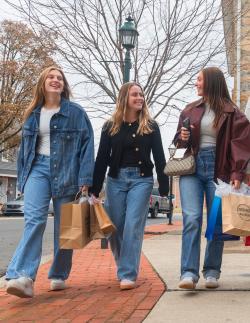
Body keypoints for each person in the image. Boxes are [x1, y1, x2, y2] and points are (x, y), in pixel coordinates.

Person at [5, 66, 94, 298]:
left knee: (65, 228)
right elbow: (25, 150)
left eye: (59, 78)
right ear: (42, 83)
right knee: (34, 219)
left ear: (63, 85)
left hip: (68, 171)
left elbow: (87, 147)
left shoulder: (76, 112)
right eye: (51, 77)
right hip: (38, 169)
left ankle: (59, 274)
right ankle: (23, 276)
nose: (56, 80)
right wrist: (23, 178)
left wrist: (85, 180)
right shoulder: (32, 113)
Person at [174, 67, 250, 290]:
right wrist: (182, 136)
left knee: (216, 221)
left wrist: (237, 173)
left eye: (199, 79)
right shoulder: (190, 109)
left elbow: (242, 145)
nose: (196, 83)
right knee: (192, 218)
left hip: (220, 170)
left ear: (211, 82)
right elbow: (179, 143)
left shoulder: (233, 113)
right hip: (192, 168)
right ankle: (188, 273)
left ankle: (211, 271)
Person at [90, 82, 169, 290]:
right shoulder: (110, 126)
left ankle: (127, 273)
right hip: (115, 180)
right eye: (135, 94)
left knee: (133, 225)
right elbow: (101, 159)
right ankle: (123, 263)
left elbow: (160, 157)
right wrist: (94, 188)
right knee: (114, 227)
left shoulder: (151, 126)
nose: (140, 98)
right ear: (124, 98)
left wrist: (164, 185)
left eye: (141, 94)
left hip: (142, 181)